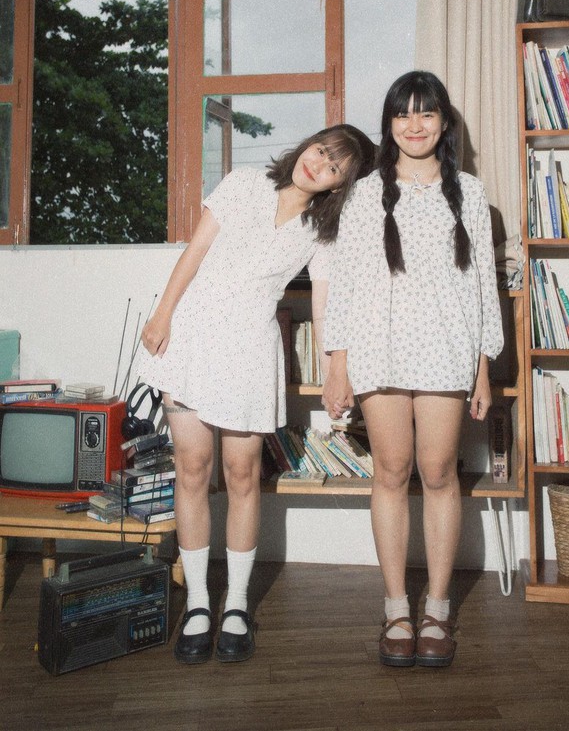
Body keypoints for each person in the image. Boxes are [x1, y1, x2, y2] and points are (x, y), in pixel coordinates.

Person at [139, 124, 375, 665]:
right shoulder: (244, 182)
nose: (318, 164)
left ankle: (237, 605)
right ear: (308, 143)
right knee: (192, 469)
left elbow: (324, 304)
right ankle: (199, 603)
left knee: (242, 475)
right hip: (192, 338)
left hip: (249, 350)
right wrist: (162, 314)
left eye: (334, 167)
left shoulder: (323, 231)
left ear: (339, 185)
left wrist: (335, 370)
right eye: (321, 150)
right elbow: (195, 251)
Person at [322, 71, 503, 668]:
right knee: (392, 470)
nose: (414, 124)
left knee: (439, 471)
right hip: (378, 348)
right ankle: (397, 607)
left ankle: (439, 610)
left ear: (444, 122)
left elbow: (482, 285)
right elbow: (346, 283)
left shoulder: (470, 193)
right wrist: (337, 364)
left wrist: (482, 367)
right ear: (389, 124)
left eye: (426, 113)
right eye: (403, 114)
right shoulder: (363, 194)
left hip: (446, 350)